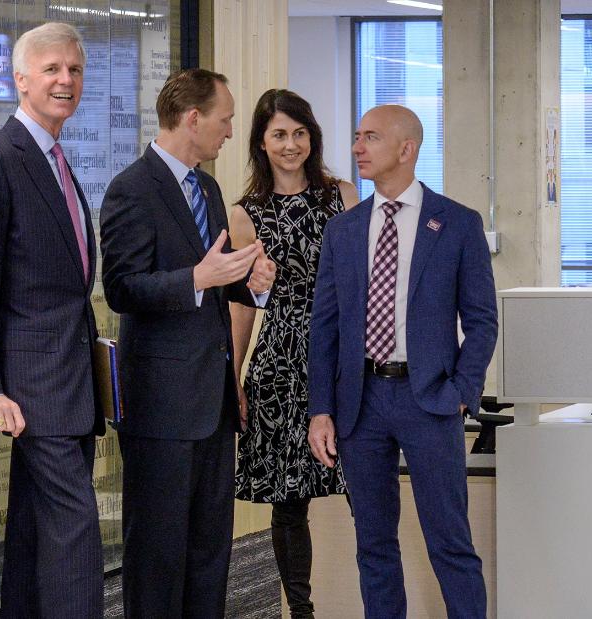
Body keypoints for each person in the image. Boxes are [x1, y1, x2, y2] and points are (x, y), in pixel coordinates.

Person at [307, 104, 498, 618]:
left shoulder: (457, 224)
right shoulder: (343, 231)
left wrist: (463, 392)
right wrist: (319, 409)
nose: (357, 148)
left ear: (406, 149)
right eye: (356, 136)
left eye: (370, 137)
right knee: (373, 545)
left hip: (430, 399)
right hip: (359, 404)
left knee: (450, 543)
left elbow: (482, 321)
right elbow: (324, 326)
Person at [99, 68, 277, 618]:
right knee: (158, 554)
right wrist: (197, 279)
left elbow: (212, 278)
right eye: (224, 120)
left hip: (213, 402)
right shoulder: (132, 188)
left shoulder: (207, 186)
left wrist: (248, 282)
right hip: (160, 406)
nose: (230, 132)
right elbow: (122, 289)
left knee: (209, 552)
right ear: (192, 118)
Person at [0, 22, 104, 618]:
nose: (66, 80)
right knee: (74, 534)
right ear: (20, 80)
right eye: (51, 69)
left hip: (69, 380)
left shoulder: (56, 158)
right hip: (33, 387)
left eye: (75, 70)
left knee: (36, 534)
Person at [229, 88, 359, 619]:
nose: (291, 144)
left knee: (363, 484)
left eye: (300, 133)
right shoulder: (244, 214)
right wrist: (232, 377)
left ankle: (379, 594)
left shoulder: (344, 196)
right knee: (289, 501)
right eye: (279, 134)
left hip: (343, 353)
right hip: (280, 360)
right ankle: (299, 610)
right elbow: (242, 308)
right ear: (261, 141)